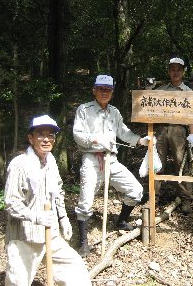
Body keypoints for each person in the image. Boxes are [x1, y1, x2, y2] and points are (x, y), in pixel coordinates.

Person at [4, 115, 91, 286]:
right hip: (24, 237)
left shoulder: (51, 161)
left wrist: (63, 218)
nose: (46, 139)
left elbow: (58, 191)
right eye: (41, 134)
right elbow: (11, 202)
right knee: (18, 282)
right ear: (31, 138)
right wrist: (35, 216)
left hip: (50, 234)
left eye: (50, 135)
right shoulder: (20, 164)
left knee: (76, 271)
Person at [73, 74, 151, 257]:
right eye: (101, 89)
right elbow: (77, 135)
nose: (104, 93)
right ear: (94, 90)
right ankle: (83, 242)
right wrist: (95, 140)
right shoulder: (84, 109)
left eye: (108, 90)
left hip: (112, 160)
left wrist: (140, 141)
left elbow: (123, 133)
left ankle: (121, 221)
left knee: (136, 190)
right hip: (92, 159)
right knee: (85, 201)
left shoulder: (114, 112)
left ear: (112, 92)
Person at [154, 57, 193, 214]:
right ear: (168, 71)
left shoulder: (188, 92)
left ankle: (186, 199)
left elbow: (192, 114)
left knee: (181, 164)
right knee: (156, 163)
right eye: (172, 69)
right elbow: (147, 107)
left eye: (179, 69)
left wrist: (191, 134)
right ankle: (154, 198)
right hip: (161, 129)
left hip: (179, 129)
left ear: (183, 72)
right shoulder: (160, 90)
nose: (175, 72)